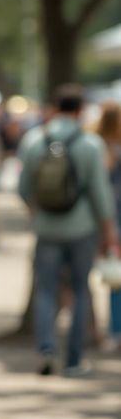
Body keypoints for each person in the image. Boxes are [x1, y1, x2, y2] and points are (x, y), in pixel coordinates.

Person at [17, 85, 118, 376]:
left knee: (46, 289)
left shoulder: (34, 139)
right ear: (81, 109)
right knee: (79, 289)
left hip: (46, 227)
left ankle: (46, 350)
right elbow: (100, 193)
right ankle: (73, 359)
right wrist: (108, 228)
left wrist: (36, 210)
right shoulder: (90, 143)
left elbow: (24, 188)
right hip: (82, 228)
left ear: (53, 107)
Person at [96, 100, 121, 354]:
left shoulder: (101, 146)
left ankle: (116, 330)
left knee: (115, 279)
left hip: (111, 219)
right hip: (115, 219)